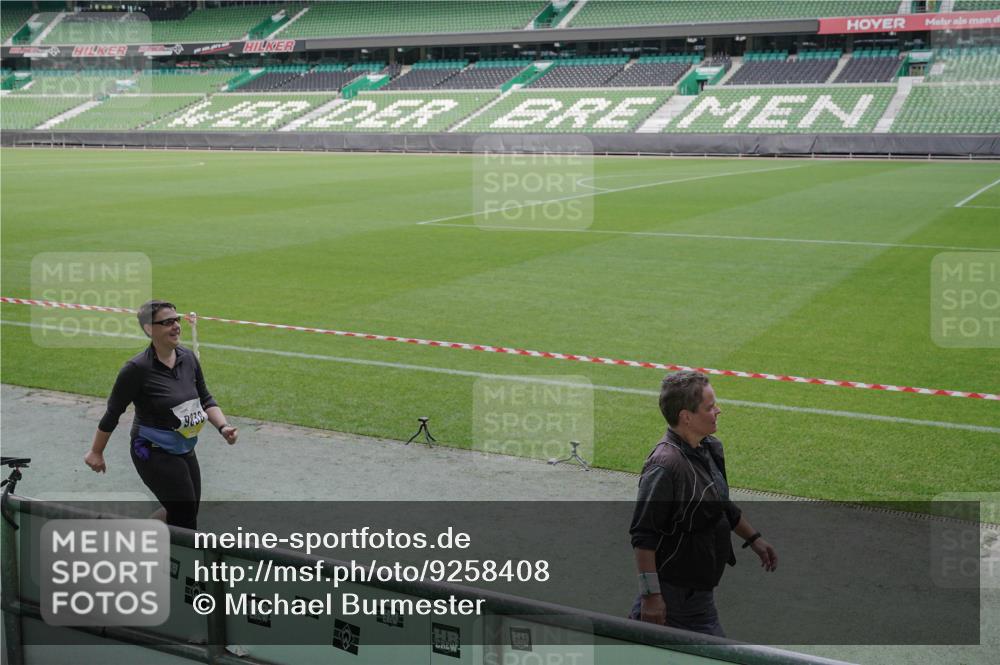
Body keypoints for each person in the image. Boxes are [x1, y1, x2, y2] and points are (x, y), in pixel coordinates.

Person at [629, 370, 776, 637]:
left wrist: (753, 538)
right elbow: (643, 536)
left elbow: (720, 503)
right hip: (677, 596)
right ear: (686, 416)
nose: (718, 411)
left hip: (696, 592)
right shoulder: (664, 466)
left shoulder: (708, 447)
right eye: (710, 407)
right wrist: (651, 597)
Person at [84, 299, 238, 529]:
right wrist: (96, 452)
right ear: (149, 329)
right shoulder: (136, 370)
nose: (176, 325)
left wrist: (223, 427)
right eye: (167, 322)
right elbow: (112, 413)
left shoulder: (188, 358)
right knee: (185, 515)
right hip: (152, 451)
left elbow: (205, 398)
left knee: (186, 508)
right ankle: (182, 562)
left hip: (184, 445)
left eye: (176, 320)